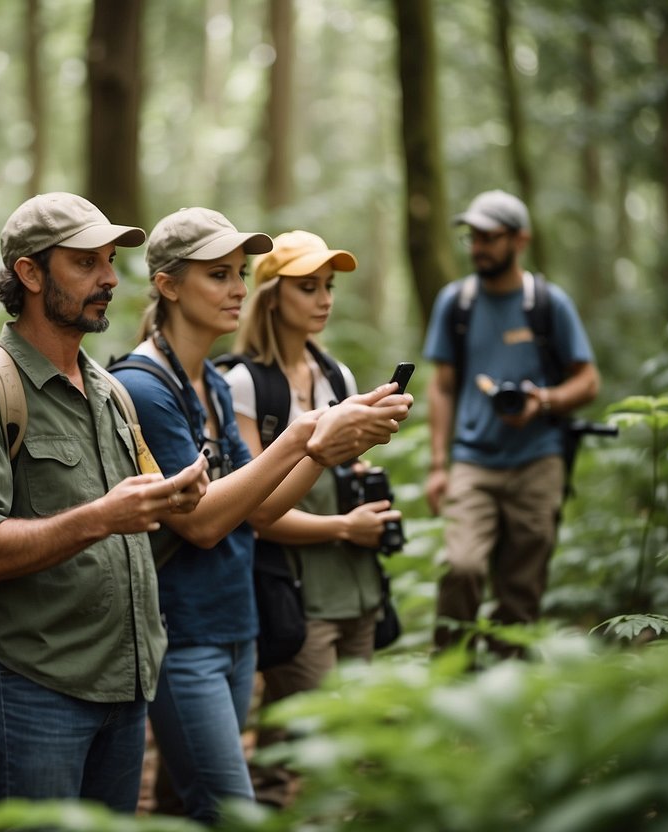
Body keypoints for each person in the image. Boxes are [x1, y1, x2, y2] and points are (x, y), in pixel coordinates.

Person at [110, 208, 411, 823]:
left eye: (241, 274)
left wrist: (329, 449)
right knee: (231, 808)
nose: (239, 290)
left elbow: (261, 505)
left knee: (194, 806)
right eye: (218, 276)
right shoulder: (145, 388)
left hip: (236, 625)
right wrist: (305, 435)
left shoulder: (212, 386)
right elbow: (200, 523)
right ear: (167, 285)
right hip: (183, 632)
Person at [0, 192, 209, 812]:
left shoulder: (110, 391)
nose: (109, 279)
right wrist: (103, 516)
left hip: (125, 688)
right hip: (31, 689)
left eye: (109, 261)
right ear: (29, 273)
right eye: (86, 263)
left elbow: (142, 516)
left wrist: (172, 498)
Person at [224, 230, 402, 807]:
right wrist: (342, 529)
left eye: (328, 286)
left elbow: (342, 478)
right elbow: (251, 508)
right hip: (295, 594)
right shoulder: (244, 383)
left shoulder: (338, 378)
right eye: (307, 287)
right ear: (272, 296)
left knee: (353, 738)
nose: (324, 299)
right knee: (296, 740)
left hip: (355, 586)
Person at [423, 189, 599, 656]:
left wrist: (543, 401)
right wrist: (438, 464)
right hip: (473, 460)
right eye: (472, 237)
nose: (478, 246)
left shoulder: (547, 303)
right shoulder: (455, 303)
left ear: (520, 240)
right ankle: (450, 678)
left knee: (520, 590)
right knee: (461, 567)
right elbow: (441, 386)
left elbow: (588, 381)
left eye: (489, 237)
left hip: (538, 459)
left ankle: (508, 684)